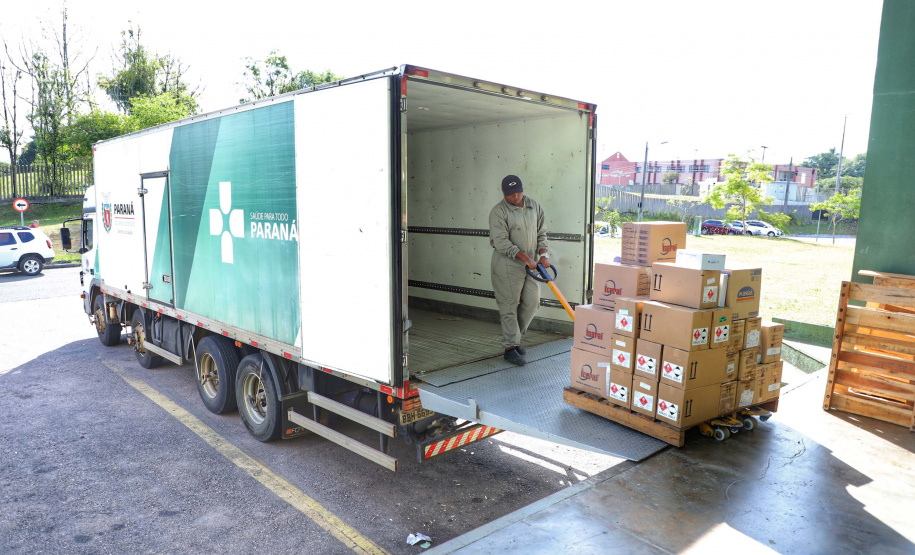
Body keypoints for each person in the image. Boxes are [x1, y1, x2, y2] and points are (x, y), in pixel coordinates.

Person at [489, 174, 549, 366]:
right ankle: (510, 347)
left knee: (532, 302)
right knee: (509, 305)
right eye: (510, 194)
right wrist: (525, 257)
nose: (515, 196)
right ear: (503, 193)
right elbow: (501, 242)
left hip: (531, 264)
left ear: (523, 189)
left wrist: (544, 253)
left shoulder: (534, 206)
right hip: (508, 264)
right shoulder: (498, 212)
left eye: (518, 192)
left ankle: (515, 339)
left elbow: (542, 232)